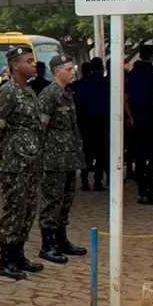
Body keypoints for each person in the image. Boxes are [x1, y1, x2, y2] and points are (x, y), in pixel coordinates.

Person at [0, 45, 45, 280]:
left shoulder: (29, 91)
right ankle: (6, 259)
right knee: (14, 209)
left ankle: (19, 254)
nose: (34, 65)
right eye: (28, 61)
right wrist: (1, 151)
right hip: (15, 161)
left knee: (28, 208)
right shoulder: (8, 92)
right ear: (15, 66)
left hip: (31, 161)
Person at [37, 54, 87, 263]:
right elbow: (42, 128)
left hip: (69, 158)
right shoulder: (49, 95)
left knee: (66, 201)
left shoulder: (67, 93)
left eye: (72, 68)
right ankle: (48, 245)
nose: (72, 72)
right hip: (53, 159)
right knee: (52, 201)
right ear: (57, 72)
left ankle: (61, 240)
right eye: (68, 69)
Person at [126, 44, 153, 205]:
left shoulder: (133, 73)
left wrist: (130, 116)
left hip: (137, 118)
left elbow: (125, 97)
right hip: (152, 118)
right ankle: (149, 191)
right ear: (152, 56)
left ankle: (141, 190)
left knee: (139, 156)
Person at [76, 57, 109, 192]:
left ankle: (84, 181)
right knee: (101, 153)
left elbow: (79, 102)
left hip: (87, 122)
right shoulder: (106, 82)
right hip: (102, 121)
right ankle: (97, 181)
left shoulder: (84, 82)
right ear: (101, 67)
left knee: (87, 152)